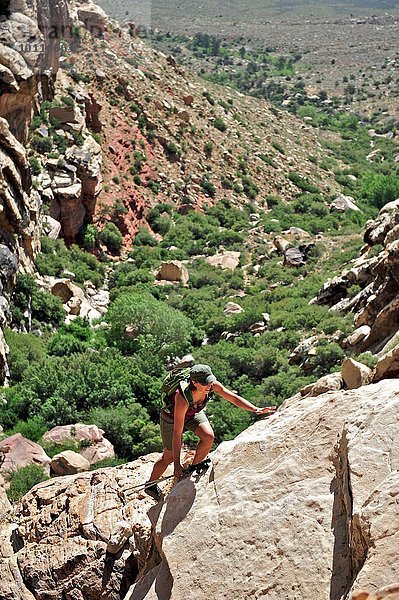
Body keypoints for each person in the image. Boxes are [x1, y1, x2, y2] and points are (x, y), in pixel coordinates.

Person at [145, 364, 276, 500]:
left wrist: (255, 409)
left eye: (209, 381)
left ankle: (193, 468)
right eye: (204, 383)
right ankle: (150, 485)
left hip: (192, 413)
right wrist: (177, 465)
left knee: (208, 437)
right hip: (171, 418)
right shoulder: (182, 397)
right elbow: (177, 433)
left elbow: (233, 398)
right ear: (194, 382)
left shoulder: (211, 385)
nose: (209, 385)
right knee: (169, 457)